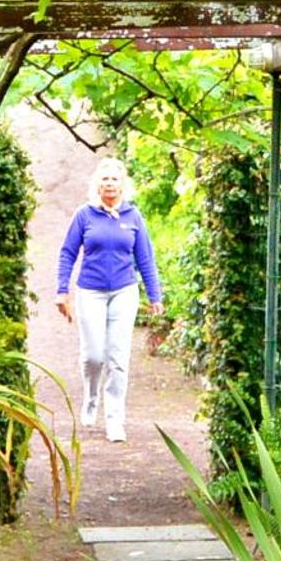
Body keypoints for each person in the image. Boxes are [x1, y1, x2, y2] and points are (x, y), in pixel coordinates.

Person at [56, 157, 164, 443]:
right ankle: (91, 397)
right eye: (104, 180)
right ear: (97, 185)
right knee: (93, 356)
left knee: (118, 358)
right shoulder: (84, 215)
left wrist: (155, 295)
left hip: (123, 291)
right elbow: (68, 253)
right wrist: (61, 290)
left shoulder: (133, 217)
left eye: (114, 179)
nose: (110, 184)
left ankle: (115, 418)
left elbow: (145, 258)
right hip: (90, 290)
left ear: (122, 184)